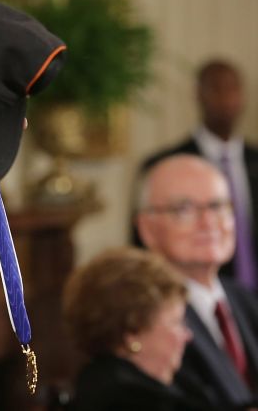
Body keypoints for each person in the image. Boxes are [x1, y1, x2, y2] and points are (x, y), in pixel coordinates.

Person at [137, 154, 258, 409]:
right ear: (148, 229)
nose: (208, 223)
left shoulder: (246, 299)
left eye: (217, 206)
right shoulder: (142, 317)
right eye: (184, 209)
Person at [140, 60, 258, 288]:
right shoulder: (164, 166)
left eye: (233, 88)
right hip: (188, 294)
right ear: (198, 95)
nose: (226, 98)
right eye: (216, 88)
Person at [62, 246, 216, 411]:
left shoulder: (178, 383)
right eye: (176, 322)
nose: (188, 335)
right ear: (133, 332)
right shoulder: (121, 400)